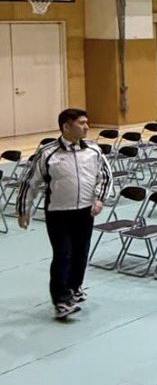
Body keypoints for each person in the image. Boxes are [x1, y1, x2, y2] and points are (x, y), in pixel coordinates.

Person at [17, 108, 112, 320]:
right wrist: (24, 209)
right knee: (62, 254)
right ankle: (60, 301)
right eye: (82, 123)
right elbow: (29, 181)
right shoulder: (48, 153)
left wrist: (99, 199)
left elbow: (105, 177)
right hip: (58, 212)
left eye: (87, 122)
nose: (87, 127)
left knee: (80, 253)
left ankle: (74, 287)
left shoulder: (93, 150)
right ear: (66, 127)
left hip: (85, 211)